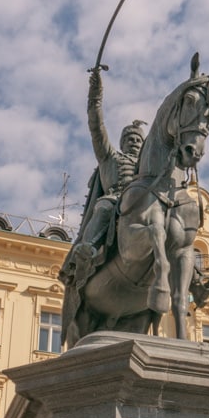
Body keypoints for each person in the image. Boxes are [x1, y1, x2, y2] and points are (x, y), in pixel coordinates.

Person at [61, 67, 145, 291]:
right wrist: (95, 94)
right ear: (122, 142)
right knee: (104, 207)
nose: (134, 142)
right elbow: (97, 127)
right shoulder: (110, 157)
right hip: (116, 199)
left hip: (142, 203)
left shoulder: (147, 166)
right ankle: (87, 250)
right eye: (129, 138)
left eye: (138, 139)